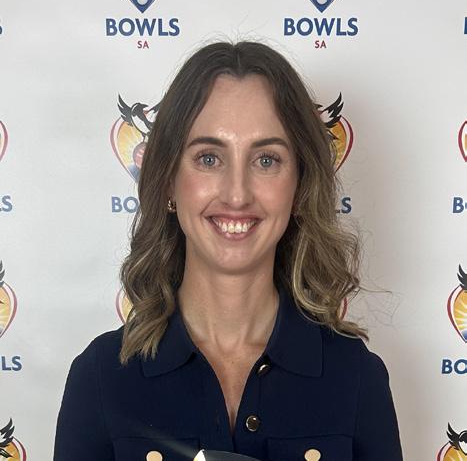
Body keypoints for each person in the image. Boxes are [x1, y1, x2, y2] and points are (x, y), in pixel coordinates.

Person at [53, 41, 403, 461]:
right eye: (208, 158)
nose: (237, 194)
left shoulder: (357, 377)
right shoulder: (101, 376)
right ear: (167, 180)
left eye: (266, 160)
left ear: (299, 186)